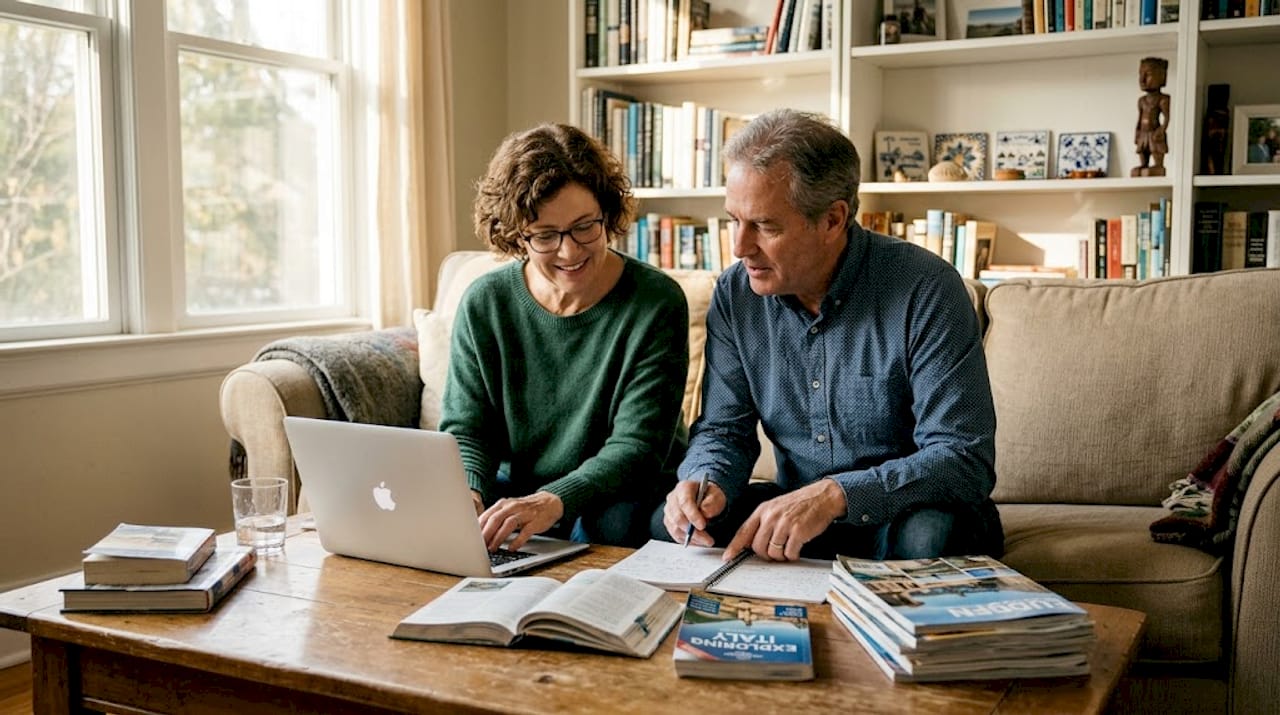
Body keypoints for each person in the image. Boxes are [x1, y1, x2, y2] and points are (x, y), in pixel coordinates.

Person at [653, 108, 1002, 563]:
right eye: (733, 220)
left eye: (766, 226)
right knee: (670, 527)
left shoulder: (925, 288)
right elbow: (723, 429)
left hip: (908, 512)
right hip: (798, 515)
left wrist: (837, 494)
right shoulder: (737, 294)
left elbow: (962, 458)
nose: (739, 247)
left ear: (833, 220)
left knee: (927, 537)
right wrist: (704, 481)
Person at [440, 123, 689, 551]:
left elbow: (638, 447)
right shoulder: (486, 302)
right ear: (518, 233)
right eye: (545, 235)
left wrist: (555, 501)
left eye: (584, 227)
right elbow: (467, 428)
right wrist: (468, 494)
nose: (570, 251)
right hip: (520, 489)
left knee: (610, 523)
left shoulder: (656, 302)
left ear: (607, 213)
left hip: (622, 489)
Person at [1132, 57, 1171, 177]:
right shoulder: (1141, 100)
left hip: (1155, 131)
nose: (1142, 79)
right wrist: (1137, 131)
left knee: (1156, 148)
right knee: (1142, 149)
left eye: (1148, 75)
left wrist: (1162, 129)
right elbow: (1139, 119)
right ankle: (1144, 164)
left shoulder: (1163, 99)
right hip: (1143, 131)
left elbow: (1166, 117)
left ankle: (1158, 165)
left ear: (1161, 76)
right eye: (1140, 74)